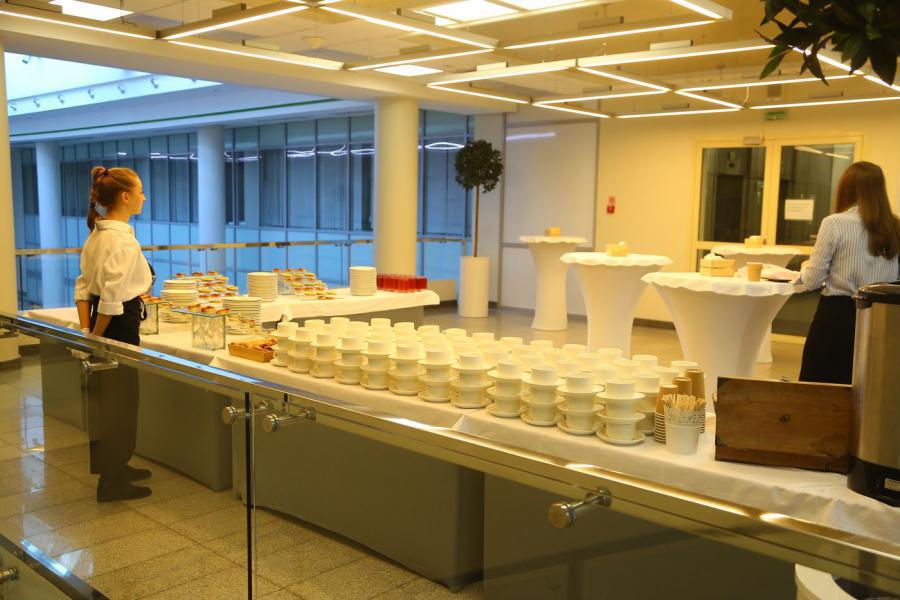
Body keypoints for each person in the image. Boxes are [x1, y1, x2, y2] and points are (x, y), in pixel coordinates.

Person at [74, 166, 154, 502]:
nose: (143, 197)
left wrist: (86, 331)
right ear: (125, 196)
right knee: (122, 401)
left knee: (107, 401)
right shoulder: (122, 240)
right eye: (140, 191)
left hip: (102, 322)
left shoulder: (96, 235)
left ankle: (115, 466)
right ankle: (112, 481)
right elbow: (111, 301)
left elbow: (83, 289)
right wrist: (97, 338)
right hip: (117, 325)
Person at [795, 161, 900, 385]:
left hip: (837, 318)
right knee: (871, 390)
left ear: (846, 189)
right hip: (883, 320)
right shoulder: (896, 226)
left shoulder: (834, 223)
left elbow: (812, 281)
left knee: (823, 390)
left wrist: (805, 267)